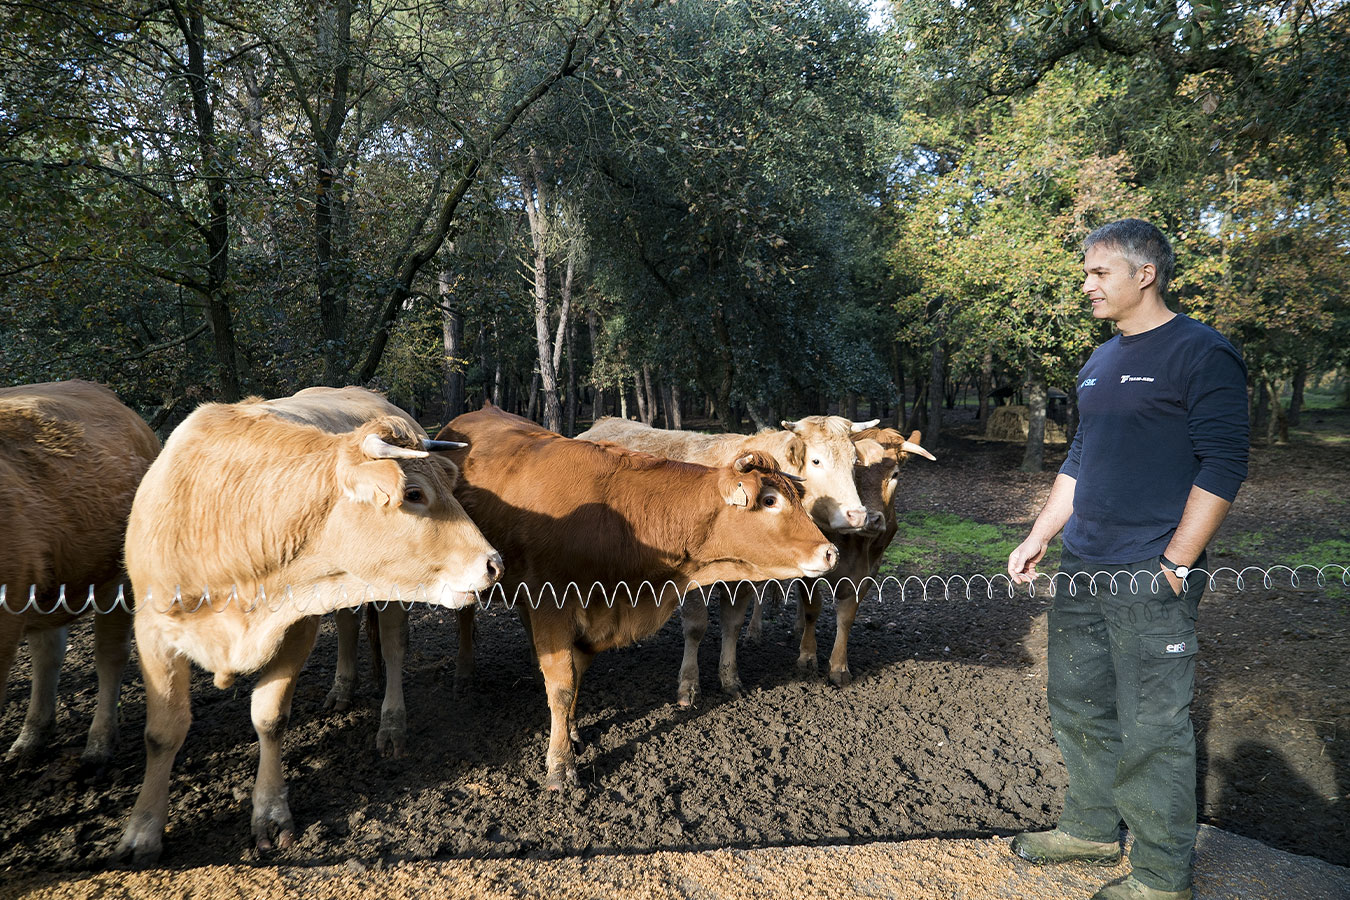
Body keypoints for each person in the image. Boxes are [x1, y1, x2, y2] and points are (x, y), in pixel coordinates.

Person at [1006, 219, 1249, 900]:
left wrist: (1177, 559)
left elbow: (1224, 464)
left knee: (1153, 724)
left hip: (1153, 567)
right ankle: (1088, 829)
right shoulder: (1100, 361)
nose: (1086, 285)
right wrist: (1041, 534)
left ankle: (1162, 876)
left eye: (1098, 272)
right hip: (1084, 562)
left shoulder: (1202, 353)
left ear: (1145, 273)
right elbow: (1081, 461)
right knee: (1078, 702)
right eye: (1086, 273)